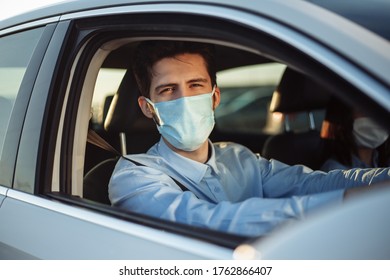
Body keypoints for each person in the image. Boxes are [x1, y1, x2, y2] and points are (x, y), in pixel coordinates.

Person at [108, 40, 390, 237]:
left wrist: (379, 180)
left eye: (196, 85)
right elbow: (205, 222)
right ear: (148, 107)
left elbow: (312, 182)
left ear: (214, 97)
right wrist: (347, 203)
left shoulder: (239, 157)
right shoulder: (135, 176)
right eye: (168, 90)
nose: (185, 99)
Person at [320, 98, 390, 172]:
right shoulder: (335, 171)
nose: (375, 117)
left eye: (377, 110)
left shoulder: (381, 161)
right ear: (343, 121)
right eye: (364, 110)